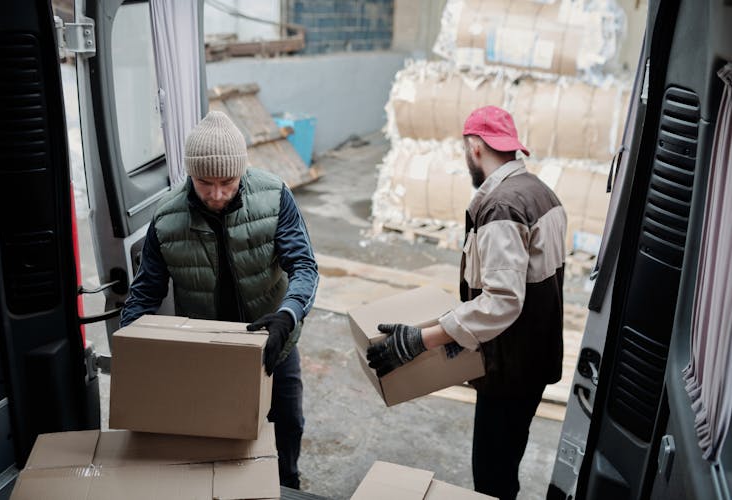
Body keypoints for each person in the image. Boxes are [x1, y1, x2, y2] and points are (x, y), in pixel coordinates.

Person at [367, 106, 566, 500]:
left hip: (511, 368)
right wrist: (463, 330)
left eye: (466, 148)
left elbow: (502, 301)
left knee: (492, 479)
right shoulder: (541, 192)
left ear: (475, 146)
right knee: (505, 463)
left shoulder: (501, 207)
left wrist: (422, 340)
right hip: (532, 358)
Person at [120, 111, 318, 489]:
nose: (215, 194)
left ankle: (286, 486)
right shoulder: (166, 219)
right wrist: (132, 354)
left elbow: (304, 266)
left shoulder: (275, 197)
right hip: (208, 353)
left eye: (226, 182)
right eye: (204, 182)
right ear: (189, 175)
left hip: (272, 341)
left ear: (241, 171)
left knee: (287, 425)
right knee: (218, 436)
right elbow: (144, 295)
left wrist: (288, 315)